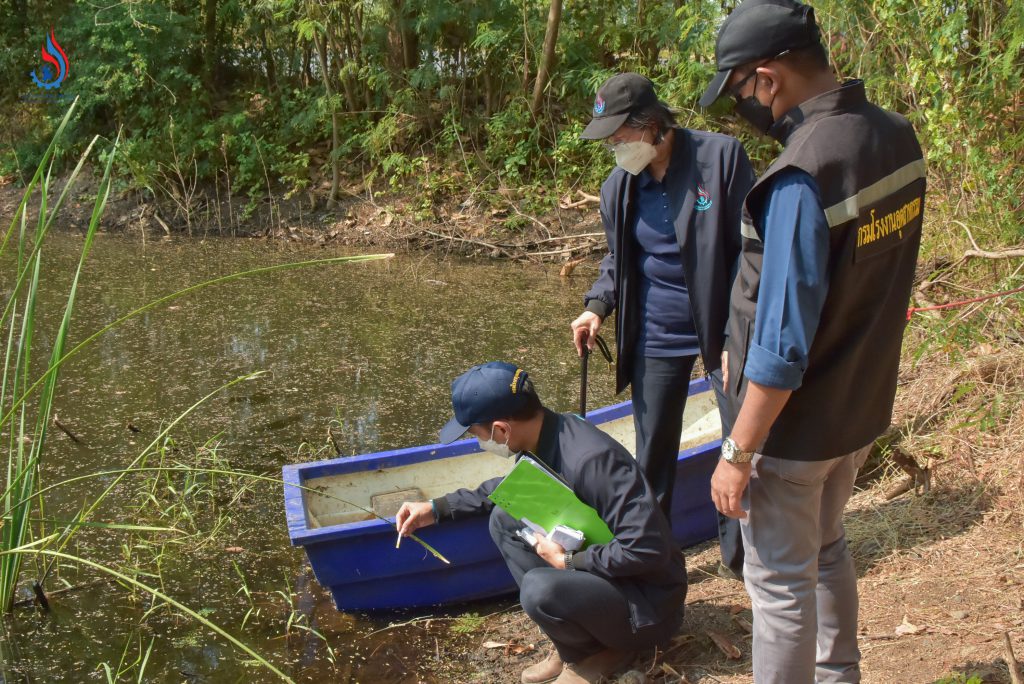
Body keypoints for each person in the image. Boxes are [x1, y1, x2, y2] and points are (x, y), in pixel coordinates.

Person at [699, 1, 927, 682]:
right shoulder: (894, 135)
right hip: (859, 407)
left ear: (767, 79)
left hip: (794, 433)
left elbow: (781, 346)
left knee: (777, 585)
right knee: (825, 548)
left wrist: (737, 453)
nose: (743, 106)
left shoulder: (803, 173)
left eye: (739, 91)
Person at [396, 362, 687, 684]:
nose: (477, 441)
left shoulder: (593, 462)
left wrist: (568, 561)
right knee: (505, 520)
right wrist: (437, 508)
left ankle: (608, 650)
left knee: (539, 588)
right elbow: (512, 489)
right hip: (614, 579)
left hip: (650, 606)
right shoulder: (545, 435)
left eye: (474, 433)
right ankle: (574, 646)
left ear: (501, 430)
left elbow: (648, 550)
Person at [570, 72, 754, 579]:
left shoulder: (720, 159)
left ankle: (741, 560)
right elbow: (619, 261)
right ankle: (656, 562)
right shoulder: (619, 187)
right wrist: (596, 306)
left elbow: (749, 252)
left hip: (720, 324)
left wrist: (734, 334)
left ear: (651, 125)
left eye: (618, 135)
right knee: (652, 456)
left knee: (739, 439)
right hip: (655, 331)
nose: (613, 147)